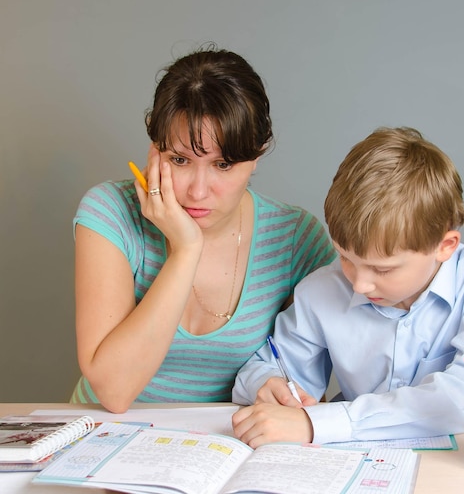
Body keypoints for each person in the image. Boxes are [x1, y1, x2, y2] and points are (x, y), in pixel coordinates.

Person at [70, 44, 336, 413]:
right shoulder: (110, 213)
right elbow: (113, 392)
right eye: (179, 160)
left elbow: (304, 393)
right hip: (104, 434)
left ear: (257, 155)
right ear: (154, 150)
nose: (197, 191)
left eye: (223, 165)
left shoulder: (296, 238)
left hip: (223, 446)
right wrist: (186, 250)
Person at [231, 126, 464, 448]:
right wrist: (267, 383)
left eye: (382, 268)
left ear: (445, 246)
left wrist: (318, 422)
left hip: (460, 466)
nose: (359, 284)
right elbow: (259, 369)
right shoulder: (321, 290)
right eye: (345, 257)